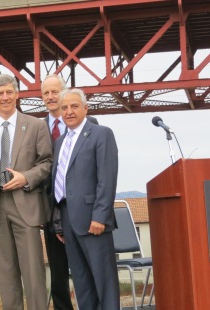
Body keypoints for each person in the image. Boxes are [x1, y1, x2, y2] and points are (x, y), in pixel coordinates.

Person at [0, 74, 52, 310]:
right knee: (6, 274)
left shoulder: (36, 125)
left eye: (9, 92)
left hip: (25, 203)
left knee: (33, 273)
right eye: (0, 93)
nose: (5, 97)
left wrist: (26, 177)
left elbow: (46, 162)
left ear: (17, 94)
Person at [53, 88, 119, 310]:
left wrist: (100, 216)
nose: (69, 112)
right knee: (81, 283)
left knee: (104, 281)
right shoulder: (60, 142)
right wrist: (59, 222)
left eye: (74, 106)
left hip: (94, 221)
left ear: (85, 108)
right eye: (64, 108)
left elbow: (107, 178)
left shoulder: (101, 134)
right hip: (69, 222)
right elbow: (59, 182)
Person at [41, 74, 98, 310]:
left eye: (56, 91)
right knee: (58, 272)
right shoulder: (36, 127)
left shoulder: (91, 125)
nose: (51, 97)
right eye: (46, 93)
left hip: (83, 211)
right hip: (52, 211)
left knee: (87, 269)